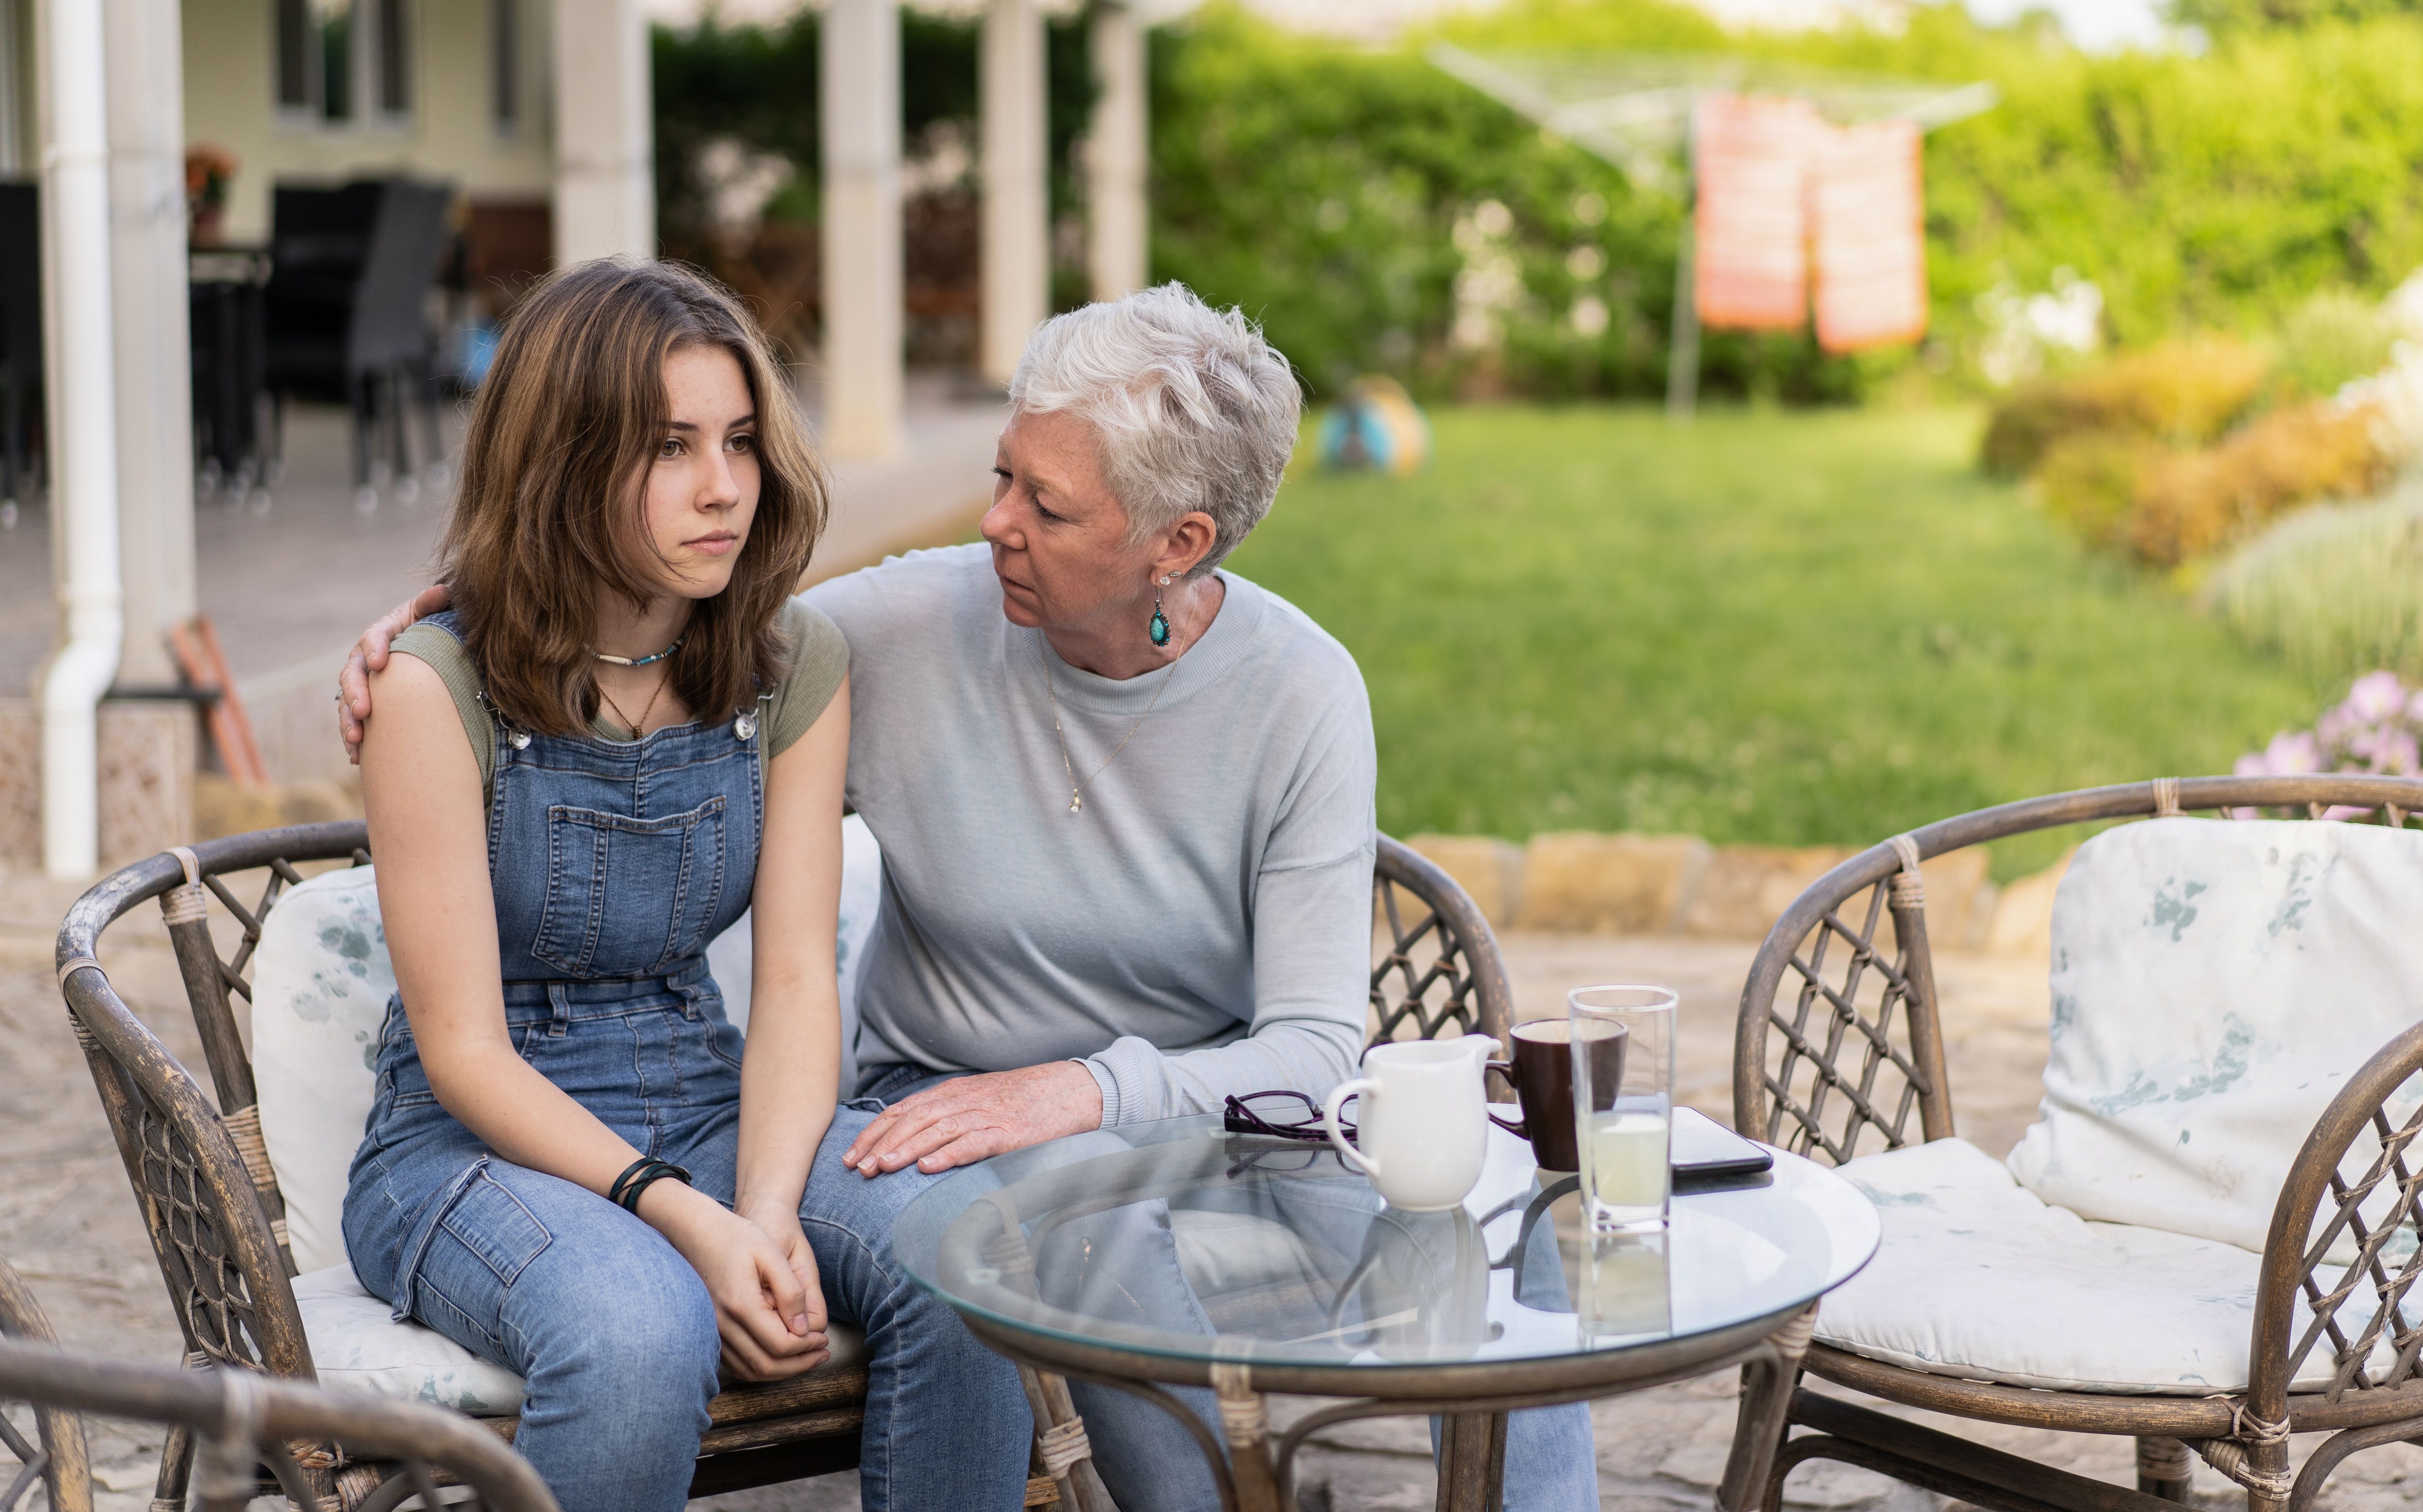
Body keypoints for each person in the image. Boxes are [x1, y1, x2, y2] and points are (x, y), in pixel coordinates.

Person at [342, 281, 1599, 1512]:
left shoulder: (1298, 693)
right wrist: (449, 617)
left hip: (1190, 1123)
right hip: (877, 1121)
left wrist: (1049, 1102)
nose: (994, 522)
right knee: (868, 1276)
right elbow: (632, 623)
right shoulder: (889, 628)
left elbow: (1318, 1050)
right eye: (1002, 475)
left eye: (1044, 506)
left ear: (1179, 544)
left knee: (1482, 1215)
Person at [349, 258, 900, 1512]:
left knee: (966, 1269)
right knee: (644, 1332)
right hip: (467, 1148)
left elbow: (800, 977)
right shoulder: (434, 691)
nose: (725, 489)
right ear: (562, 464)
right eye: (670, 448)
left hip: (704, 1095)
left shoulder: (788, 661)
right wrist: (691, 1227)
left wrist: (764, 1209)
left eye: (742, 442)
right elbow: (463, 1053)